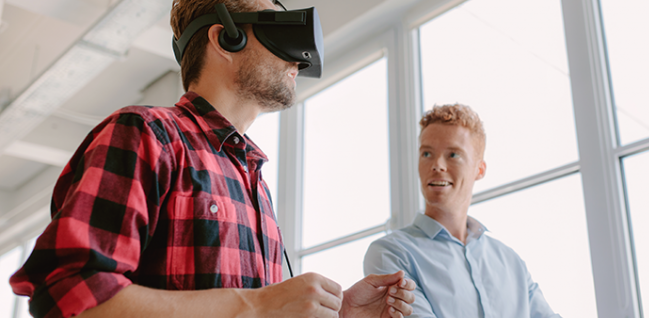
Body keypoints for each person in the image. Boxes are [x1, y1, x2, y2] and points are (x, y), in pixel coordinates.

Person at [9, 0, 416, 317]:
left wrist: (332, 312)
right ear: (226, 39)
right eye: (278, 32)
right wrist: (258, 307)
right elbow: (66, 295)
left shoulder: (252, 178)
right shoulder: (148, 136)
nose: (299, 58)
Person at [363, 104, 561, 318]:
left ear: (479, 169)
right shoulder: (391, 254)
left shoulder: (511, 262)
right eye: (427, 153)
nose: (437, 165)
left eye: (453, 155)